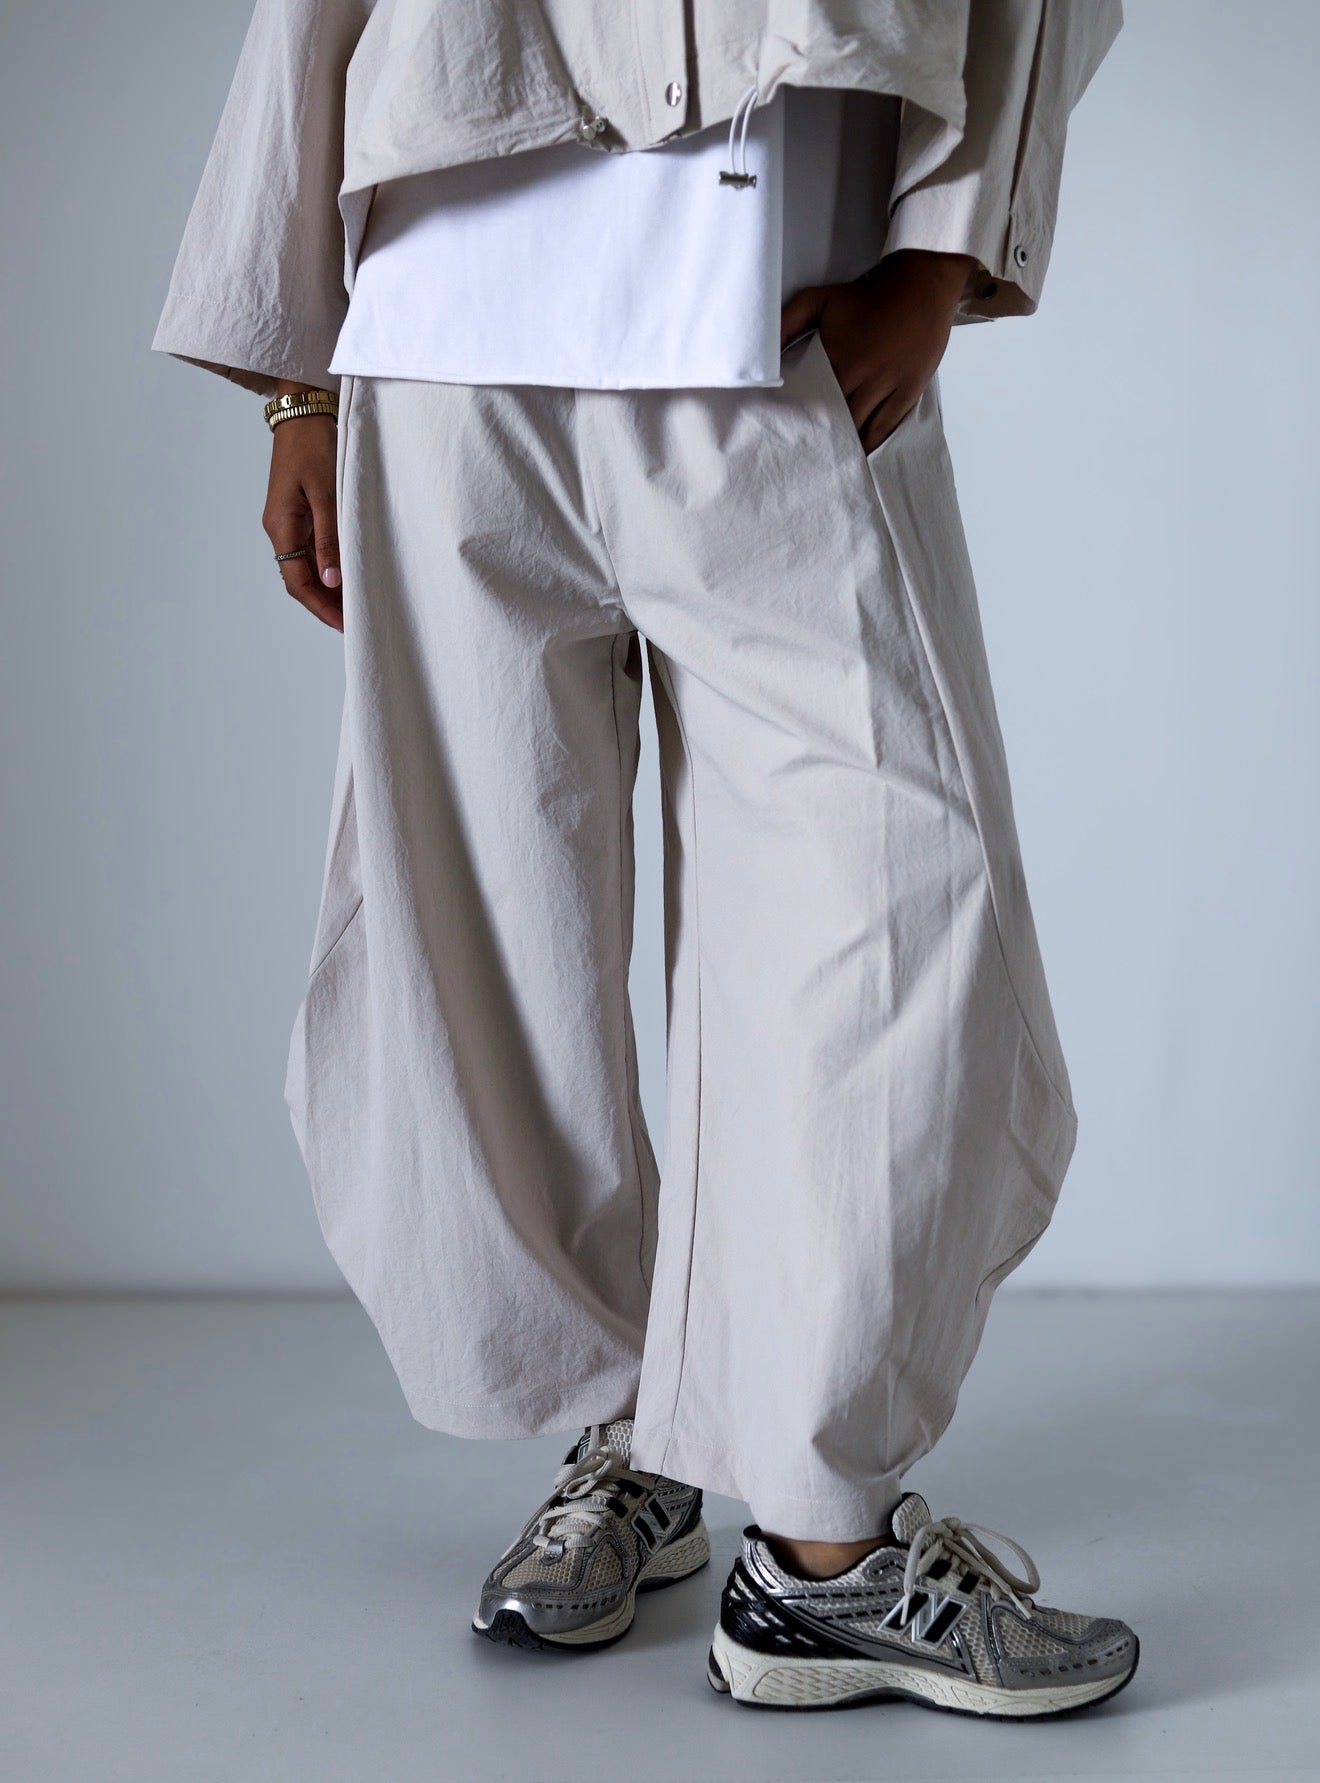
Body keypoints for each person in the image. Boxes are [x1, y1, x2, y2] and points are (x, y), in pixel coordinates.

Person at [153, 0, 1139, 1718]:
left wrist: (944, 248)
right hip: (442, 331)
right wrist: (300, 372)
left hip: (781, 298)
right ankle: (637, 1439)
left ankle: (823, 1543)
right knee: (485, 936)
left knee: (885, 903)